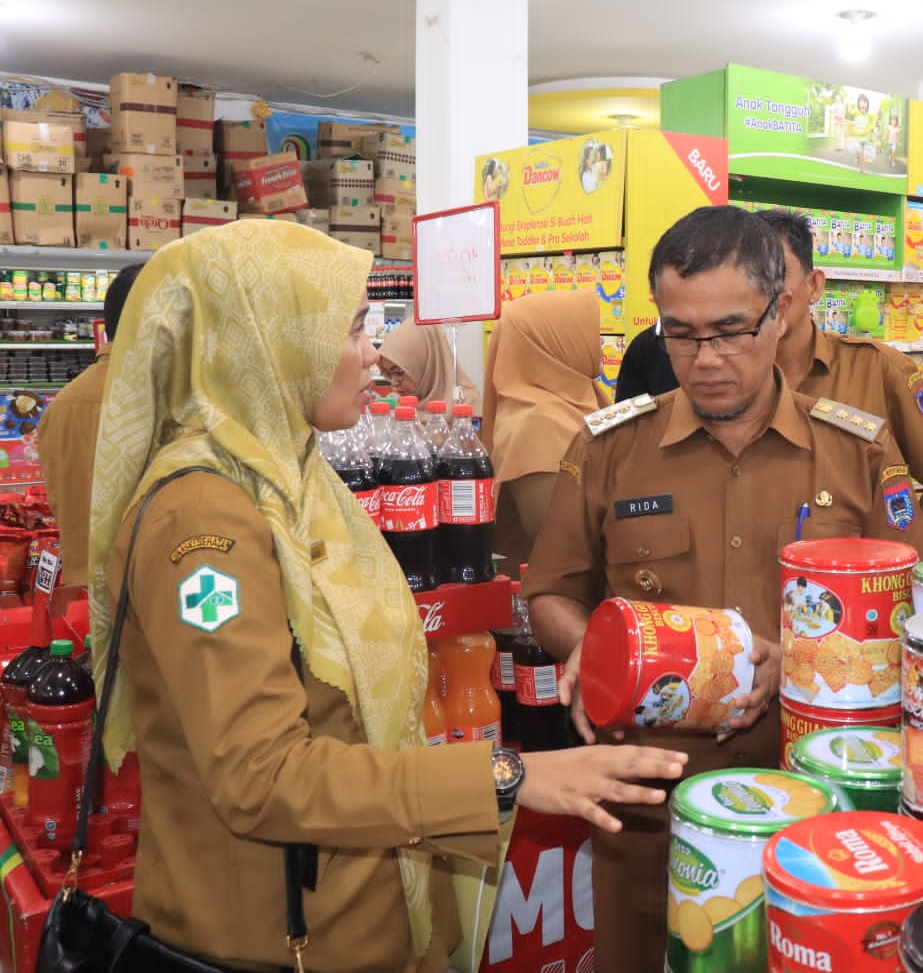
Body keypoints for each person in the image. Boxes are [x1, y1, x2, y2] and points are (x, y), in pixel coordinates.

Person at [87, 222, 686, 973]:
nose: (373, 352)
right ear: (268, 343)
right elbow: (260, 776)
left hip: (357, 905)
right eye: (350, 329)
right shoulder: (206, 516)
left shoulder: (290, 476)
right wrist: (511, 776)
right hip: (272, 939)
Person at [521, 205, 917, 969]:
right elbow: (549, 596)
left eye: (731, 330)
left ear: (783, 312)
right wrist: (590, 652)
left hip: (819, 805)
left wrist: (794, 663)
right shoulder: (611, 448)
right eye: (681, 333)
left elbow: (903, 623)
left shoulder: (856, 452)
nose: (705, 358)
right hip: (649, 806)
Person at [614, 208, 923, 547]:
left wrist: (894, 554)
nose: (762, 289)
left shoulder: (877, 370)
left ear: (813, 286)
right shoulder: (681, 355)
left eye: (775, 275)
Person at [480, 290, 610, 577]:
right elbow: (561, 539)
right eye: (589, 332)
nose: (600, 341)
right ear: (553, 343)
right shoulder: (537, 424)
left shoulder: (573, 400)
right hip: (553, 596)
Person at [36, 263, 141, 587]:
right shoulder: (166, 399)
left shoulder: (62, 406)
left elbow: (59, 501)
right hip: (153, 587)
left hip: (84, 586)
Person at [378, 318, 481, 414]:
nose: (394, 383)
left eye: (398, 372)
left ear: (427, 364)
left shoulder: (466, 405)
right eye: (387, 374)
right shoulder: (402, 409)